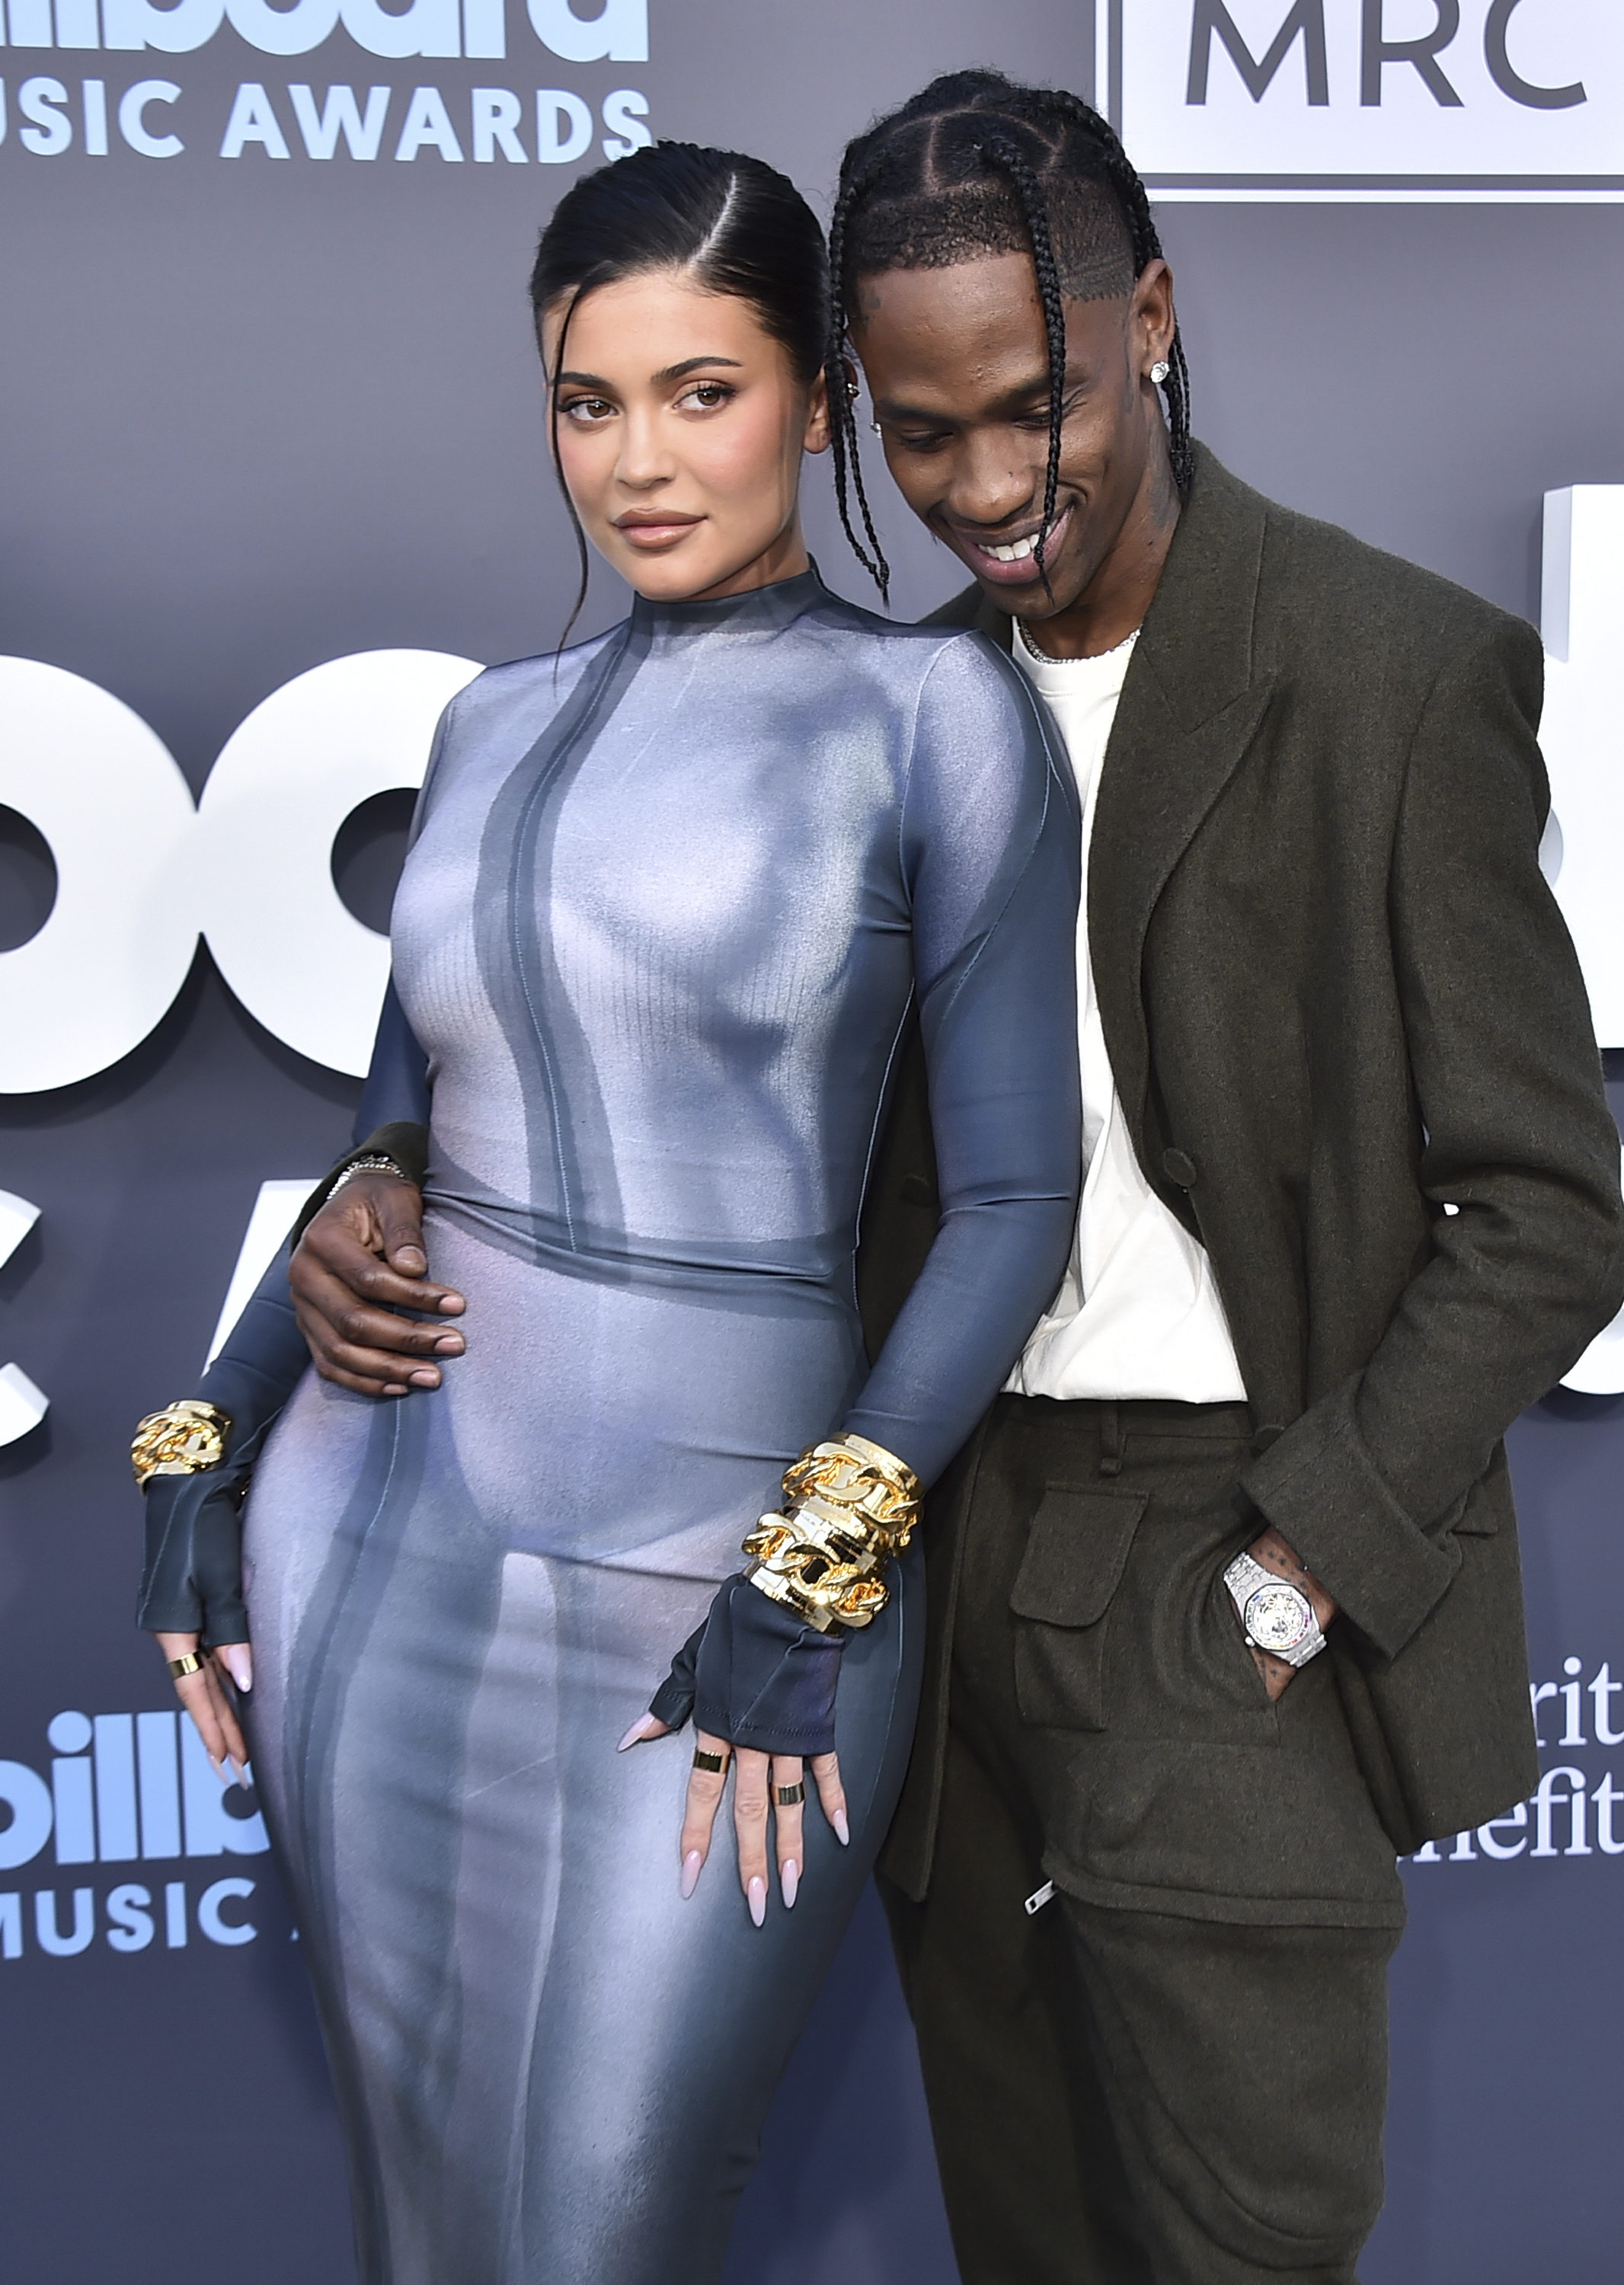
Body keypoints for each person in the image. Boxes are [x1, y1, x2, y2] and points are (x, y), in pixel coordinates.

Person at [241, 71, 1624, 2285]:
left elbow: (1545, 1207)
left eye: (1032, 409)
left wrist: (1295, 1570)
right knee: (1020, 2237)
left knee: (1242, 2240)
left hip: (1222, 1552)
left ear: (1151, 314)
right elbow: (665, 1034)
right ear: (848, 416)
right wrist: (390, 1166)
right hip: (924, 1562)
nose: (987, 485)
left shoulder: (1388, 674)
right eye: (919, 431)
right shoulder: (895, 694)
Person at [132, 139, 1079, 2285]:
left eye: (701, 392)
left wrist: (819, 1563)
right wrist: (208, 1436)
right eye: (589, 402)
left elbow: (1015, 1199)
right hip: (376, 1550)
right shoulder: (488, 725)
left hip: (724, 1572)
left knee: (599, 2230)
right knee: (427, 2224)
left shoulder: (933, 715)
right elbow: (395, 1130)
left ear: (818, 396)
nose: (638, 461)